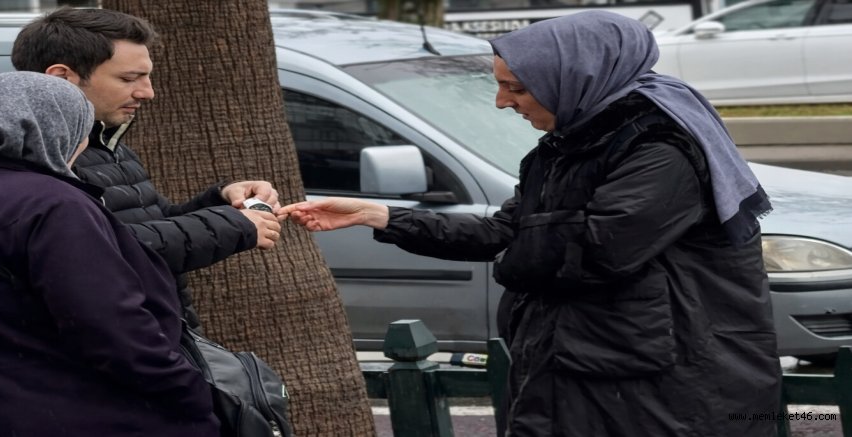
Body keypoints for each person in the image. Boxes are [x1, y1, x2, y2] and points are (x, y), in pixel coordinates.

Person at [281, 11, 779, 437]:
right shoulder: (565, 145)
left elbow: (597, 248)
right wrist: (380, 215)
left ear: (577, 79)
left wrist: (517, 257)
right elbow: (505, 232)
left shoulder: (662, 148)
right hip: (580, 367)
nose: (502, 102)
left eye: (516, 88)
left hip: (653, 387)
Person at [0, 72, 219, 435]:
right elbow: (115, 330)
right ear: (53, 131)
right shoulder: (53, 205)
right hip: (60, 417)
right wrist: (193, 395)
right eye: (83, 128)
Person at [11, 7, 283, 330]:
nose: (147, 93)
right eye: (128, 79)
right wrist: (233, 225)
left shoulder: (105, 143)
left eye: (146, 77)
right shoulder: (35, 156)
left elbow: (152, 221)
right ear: (61, 77)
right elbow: (103, 249)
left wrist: (223, 198)